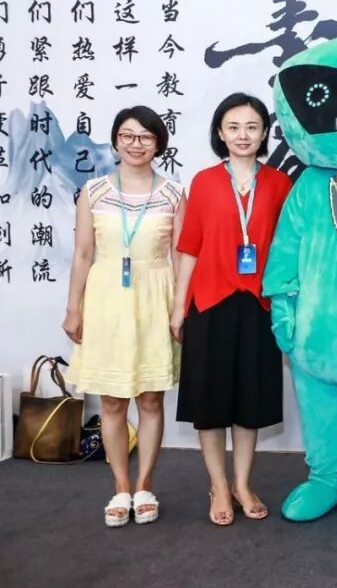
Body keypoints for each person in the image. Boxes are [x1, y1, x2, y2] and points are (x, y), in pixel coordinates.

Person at [171, 93, 292, 526]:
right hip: (209, 303)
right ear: (220, 133)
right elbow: (189, 248)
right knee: (210, 400)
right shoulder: (203, 182)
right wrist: (179, 306)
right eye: (234, 127)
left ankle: (242, 483)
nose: (243, 135)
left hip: (258, 305)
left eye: (252, 127)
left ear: (264, 133)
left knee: (249, 400)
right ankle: (219, 485)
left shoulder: (279, 183)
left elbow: (287, 250)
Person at [64, 106, 185, 527]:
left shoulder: (174, 194)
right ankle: (120, 486)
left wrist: (180, 307)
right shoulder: (93, 191)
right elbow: (82, 254)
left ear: (158, 144)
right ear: (115, 140)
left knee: (150, 398)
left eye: (146, 137)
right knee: (112, 401)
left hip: (154, 297)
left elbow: (181, 257)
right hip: (106, 300)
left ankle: (144, 485)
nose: (136, 144)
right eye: (128, 135)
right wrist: (73, 307)